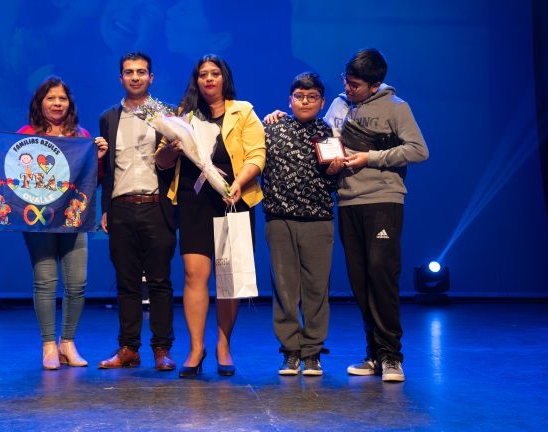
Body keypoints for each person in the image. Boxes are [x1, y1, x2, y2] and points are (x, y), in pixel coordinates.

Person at [265, 48, 429, 382]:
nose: (348, 88)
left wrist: (370, 158)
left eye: (355, 84)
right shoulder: (339, 105)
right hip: (347, 201)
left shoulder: (396, 107)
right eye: (346, 81)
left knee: (381, 274)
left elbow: (418, 150)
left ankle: (391, 356)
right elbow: (316, 135)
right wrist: (279, 115)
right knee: (360, 280)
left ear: (375, 84)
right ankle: (373, 354)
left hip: (382, 199)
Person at [0, 76, 106, 370]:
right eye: (51, 98)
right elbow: (3, 168)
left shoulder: (81, 136)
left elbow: (92, 182)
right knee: (45, 281)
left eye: (62, 98)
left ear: (70, 104)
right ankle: (49, 345)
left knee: (77, 283)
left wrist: (99, 158)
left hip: (72, 219)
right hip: (37, 220)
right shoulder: (25, 135)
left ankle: (68, 343)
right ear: (40, 103)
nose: (57, 103)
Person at [155, 54, 266, 378]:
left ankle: (223, 346)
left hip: (234, 199)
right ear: (196, 81)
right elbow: (161, 161)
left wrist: (239, 183)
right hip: (194, 201)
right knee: (194, 275)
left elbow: (257, 154)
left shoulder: (242, 111)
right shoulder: (183, 115)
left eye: (214, 73)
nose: (208, 79)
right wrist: (171, 150)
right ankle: (195, 348)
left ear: (224, 78)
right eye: (202, 74)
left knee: (229, 280)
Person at [94, 52, 178, 371]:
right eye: (129, 72)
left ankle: (162, 349)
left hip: (157, 206)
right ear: (121, 78)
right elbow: (107, 169)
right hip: (121, 208)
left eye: (141, 72)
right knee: (126, 282)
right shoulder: (108, 118)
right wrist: (105, 208)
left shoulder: (166, 114)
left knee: (159, 281)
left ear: (151, 78)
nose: (135, 77)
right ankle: (128, 348)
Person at [262, 72, 336, 377]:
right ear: (290, 100)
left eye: (312, 97)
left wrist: (335, 170)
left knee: (317, 289)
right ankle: (290, 351)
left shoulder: (328, 133)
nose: (305, 102)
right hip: (280, 219)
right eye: (299, 96)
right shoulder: (272, 128)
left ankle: (313, 352)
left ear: (322, 102)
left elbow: (334, 180)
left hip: (318, 219)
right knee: (284, 288)